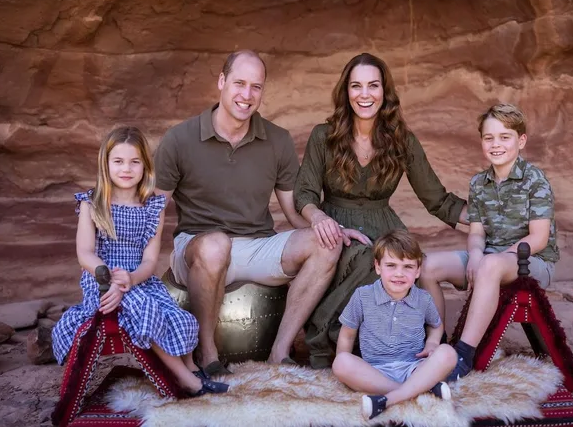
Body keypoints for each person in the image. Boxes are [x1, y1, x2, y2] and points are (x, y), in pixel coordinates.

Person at [154, 50, 362, 375]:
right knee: (216, 245)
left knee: (327, 244)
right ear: (222, 82)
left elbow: (294, 211)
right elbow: (153, 209)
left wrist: (325, 225)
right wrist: (137, 266)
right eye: (239, 83)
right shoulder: (179, 139)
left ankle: (279, 353)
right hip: (197, 249)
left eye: (256, 87)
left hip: (255, 247)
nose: (246, 95)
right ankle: (207, 356)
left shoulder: (276, 140)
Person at [294, 52, 468, 368]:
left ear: (384, 92)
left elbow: (436, 199)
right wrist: (319, 218)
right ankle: (324, 343)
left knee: (401, 263)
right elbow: (304, 193)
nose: (365, 95)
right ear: (345, 92)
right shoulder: (324, 136)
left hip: (385, 224)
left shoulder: (401, 140)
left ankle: (407, 351)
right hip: (337, 226)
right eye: (356, 86)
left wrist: (487, 220)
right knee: (368, 259)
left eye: (373, 86)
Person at [51, 127, 228, 396]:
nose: (126, 169)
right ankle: (187, 382)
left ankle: (191, 368)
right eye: (118, 161)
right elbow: (85, 253)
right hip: (101, 282)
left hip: (140, 280)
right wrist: (107, 276)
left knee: (178, 315)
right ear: (106, 164)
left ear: (145, 166)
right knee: (141, 306)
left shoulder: (153, 206)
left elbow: (149, 260)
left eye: (135, 162)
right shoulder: (92, 204)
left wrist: (132, 279)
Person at [419, 103, 560, 381]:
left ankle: (464, 354)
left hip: (530, 262)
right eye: (489, 138)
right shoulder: (478, 183)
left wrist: (490, 262)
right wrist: (474, 255)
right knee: (427, 266)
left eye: (504, 137)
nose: (496, 145)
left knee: (491, 265)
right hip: (489, 258)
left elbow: (539, 238)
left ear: (521, 140)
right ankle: (437, 340)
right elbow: (477, 233)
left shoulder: (535, 181)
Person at [332, 230, 456, 420]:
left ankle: (387, 400)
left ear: (418, 271)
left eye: (407, 267)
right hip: (374, 372)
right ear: (378, 267)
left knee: (448, 353)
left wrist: (432, 344)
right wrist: (345, 370)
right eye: (391, 265)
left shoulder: (423, 299)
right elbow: (347, 334)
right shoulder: (362, 296)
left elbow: (436, 325)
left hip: (414, 368)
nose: (399, 273)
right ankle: (420, 392)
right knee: (341, 362)